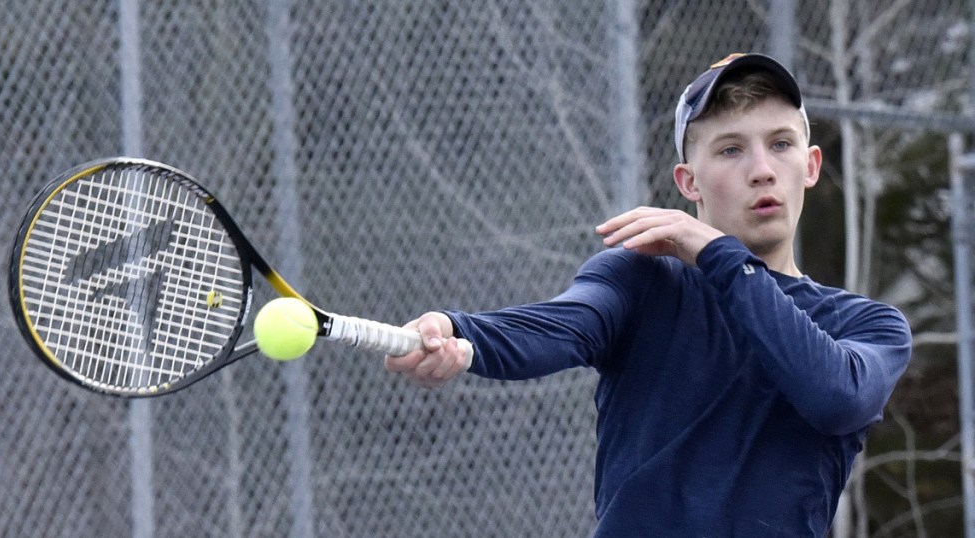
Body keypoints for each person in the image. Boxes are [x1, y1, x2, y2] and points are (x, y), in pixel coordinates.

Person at [384, 53, 912, 537]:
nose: (761, 169)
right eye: (730, 149)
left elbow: (836, 398)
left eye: (780, 144)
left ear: (811, 165)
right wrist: (458, 332)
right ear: (689, 182)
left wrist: (720, 257)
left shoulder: (867, 327)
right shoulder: (641, 280)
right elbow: (562, 326)